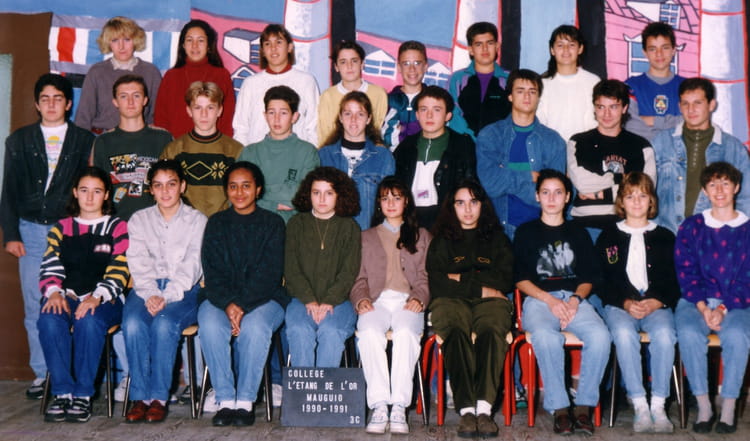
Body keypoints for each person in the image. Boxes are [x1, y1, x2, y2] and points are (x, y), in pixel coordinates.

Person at [0, 73, 94, 399]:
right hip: (31, 230)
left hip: (71, 231)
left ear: (68, 104)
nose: (51, 104)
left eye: (58, 98)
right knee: (35, 305)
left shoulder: (84, 140)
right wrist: (11, 234)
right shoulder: (20, 140)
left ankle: (70, 375)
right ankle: (43, 374)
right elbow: (9, 191)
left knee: (73, 301)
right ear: (37, 104)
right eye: (45, 99)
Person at [513, 169, 610, 436]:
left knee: (601, 336)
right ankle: (560, 410)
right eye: (545, 192)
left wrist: (575, 301)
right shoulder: (526, 232)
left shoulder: (578, 232)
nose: (552, 198)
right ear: (537, 196)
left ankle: (583, 408)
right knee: (545, 336)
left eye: (558, 192)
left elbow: (590, 276)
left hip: (574, 301)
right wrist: (551, 301)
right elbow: (519, 278)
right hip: (539, 301)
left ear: (567, 197)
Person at [198, 161, 288, 427]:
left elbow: (270, 274)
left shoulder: (273, 223)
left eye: (246, 186)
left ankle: (246, 401)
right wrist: (229, 304)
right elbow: (212, 271)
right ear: (226, 190)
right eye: (233, 187)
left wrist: (242, 305)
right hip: (220, 298)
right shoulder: (216, 223)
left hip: (265, 298)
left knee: (255, 327)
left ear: (258, 189)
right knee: (210, 324)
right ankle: (225, 399)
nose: (239, 192)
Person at [37, 166, 129, 423]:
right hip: (67, 294)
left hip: (106, 299)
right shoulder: (61, 227)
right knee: (49, 318)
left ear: (106, 195)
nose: (90, 197)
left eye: (97, 191)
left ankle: (83, 395)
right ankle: (62, 392)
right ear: (75, 192)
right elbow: (50, 264)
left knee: (88, 320)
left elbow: (120, 268)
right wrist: (54, 292)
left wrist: (96, 297)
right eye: (84, 190)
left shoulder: (117, 227)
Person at [426, 179, 513, 438]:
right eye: (460, 203)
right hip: (450, 302)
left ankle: (484, 410)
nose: (467, 209)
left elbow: (505, 280)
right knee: (454, 330)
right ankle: (466, 410)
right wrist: (481, 288)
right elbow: (437, 283)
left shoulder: (497, 239)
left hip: (491, 304)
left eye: (473, 202)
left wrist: (460, 279)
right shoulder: (441, 241)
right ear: (451, 207)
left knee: (491, 330)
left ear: (482, 205)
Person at [121, 159, 207, 423]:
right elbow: (138, 262)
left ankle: (158, 398)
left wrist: (166, 296)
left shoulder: (197, 220)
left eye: (171, 184)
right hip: (145, 287)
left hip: (185, 290)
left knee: (164, 323)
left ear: (182, 186)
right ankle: (140, 397)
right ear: (151, 189)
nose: (165, 191)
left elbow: (192, 265)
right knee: (133, 323)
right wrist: (150, 294)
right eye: (158, 185)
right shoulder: (139, 220)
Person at [595, 172, 679, 433]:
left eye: (643, 196)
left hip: (656, 305)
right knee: (622, 333)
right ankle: (640, 404)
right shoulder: (608, 236)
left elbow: (675, 280)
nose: (637, 201)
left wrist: (657, 301)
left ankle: (659, 405)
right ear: (621, 201)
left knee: (665, 334)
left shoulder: (665, 236)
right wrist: (624, 302)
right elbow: (601, 280)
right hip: (620, 305)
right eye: (630, 196)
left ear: (651, 200)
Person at [674, 162, 750, 435]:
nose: (719, 190)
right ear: (705, 191)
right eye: (713, 184)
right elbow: (686, 271)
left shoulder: (748, 229)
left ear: (736, 188)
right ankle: (704, 406)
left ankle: (728, 408)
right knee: (688, 332)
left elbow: (747, 278)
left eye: (726, 183)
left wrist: (724, 308)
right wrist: (705, 308)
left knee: (738, 335)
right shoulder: (692, 226)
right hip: (696, 301)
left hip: (738, 303)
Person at [351, 177, 431, 434]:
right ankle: (379, 405)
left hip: (408, 301)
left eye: (397, 198)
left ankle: (398, 405)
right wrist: (361, 298)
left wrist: (419, 298)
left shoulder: (421, 236)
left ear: (406, 201)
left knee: (406, 333)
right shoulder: (366, 237)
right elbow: (358, 277)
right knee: (369, 332)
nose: (391, 203)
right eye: (385, 198)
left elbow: (426, 276)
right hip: (377, 301)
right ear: (378, 204)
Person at [284, 167, 361, 367]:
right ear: (308, 194)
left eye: (329, 193)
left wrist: (329, 301)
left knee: (331, 331)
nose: (321, 199)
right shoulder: (296, 223)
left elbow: (349, 271)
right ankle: (304, 387)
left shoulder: (349, 226)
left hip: (340, 301)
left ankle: (325, 386)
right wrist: (309, 299)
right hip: (301, 300)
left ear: (339, 196)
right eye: (316, 192)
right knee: (299, 330)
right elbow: (291, 269)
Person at [476, 69, 566, 239]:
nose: (527, 97)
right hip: (497, 232)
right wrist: (530, 176)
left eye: (532, 91)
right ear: (510, 96)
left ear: (538, 98)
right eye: (520, 91)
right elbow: (491, 184)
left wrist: (506, 177)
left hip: (540, 231)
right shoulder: (490, 136)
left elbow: (555, 195)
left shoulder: (554, 141)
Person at [653, 77, 750, 233]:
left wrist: (731, 235)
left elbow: (746, 199)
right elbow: (646, 192)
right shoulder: (661, 142)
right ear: (679, 106)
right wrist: (654, 234)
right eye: (685, 103)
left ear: (711, 105)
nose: (691, 110)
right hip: (667, 235)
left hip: (714, 237)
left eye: (697, 103)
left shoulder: (734, 149)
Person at [568, 79, 656, 233]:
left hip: (627, 225)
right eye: (601, 107)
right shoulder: (577, 142)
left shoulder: (641, 146)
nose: (606, 114)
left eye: (613, 107)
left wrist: (599, 194)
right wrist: (621, 180)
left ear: (624, 108)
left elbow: (645, 191)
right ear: (594, 108)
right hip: (585, 226)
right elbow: (582, 183)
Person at [91, 74, 173, 220]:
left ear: (145, 100)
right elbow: (96, 187)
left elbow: (174, 184)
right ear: (115, 102)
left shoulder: (163, 138)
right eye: (123, 96)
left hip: (157, 222)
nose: (130, 102)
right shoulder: (103, 141)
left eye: (136, 96)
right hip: (116, 223)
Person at [393, 85, 476, 229]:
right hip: (410, 221)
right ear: (417, 114)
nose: (429, 116)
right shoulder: (405, 147)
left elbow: (470, 187)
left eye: (437, 110)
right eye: (424, 109)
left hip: (448, 221)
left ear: (448, 116)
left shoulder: (462, 145)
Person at [237, 85, 319, 224]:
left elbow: (305, 197)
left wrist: (260, 192)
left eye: (283, 113)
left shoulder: (307, 152)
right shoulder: (249, 153)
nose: (276, 119)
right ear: (265, 115)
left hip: (294, 227)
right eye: (271, 112)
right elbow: (237, 197)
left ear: (294, 117)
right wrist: (273, 204)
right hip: (254, 226)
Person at [160, 81, 243, 217]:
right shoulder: (174, 150)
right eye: (198, 108)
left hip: (223, 223)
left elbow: (242, 196)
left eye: (210, 107)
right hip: (184, 223)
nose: (204, 114)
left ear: (219, 110)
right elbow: (163, 192)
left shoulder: (235, 151)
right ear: (189, 111)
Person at [233, 24, 320, 146]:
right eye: (267, 44)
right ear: (262, 51)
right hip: (257, 155)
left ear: (289, 47)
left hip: (295, 154)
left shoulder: (306, 81)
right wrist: (246, 155)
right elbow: (241, 128)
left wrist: (308, 154)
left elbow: (314, 127)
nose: (273, 48)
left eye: (279, 42)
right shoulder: (250, 84)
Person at [319, 91, 395, 230]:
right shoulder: (324, 155)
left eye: (360, 114)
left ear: (368, 119)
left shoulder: (383, 157)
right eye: (348, 113)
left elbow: (390, 203)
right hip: (330, 234)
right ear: (340, 118)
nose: (353, 120)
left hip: (367, 235)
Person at [75, 17, 161, 133]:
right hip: (102, 137)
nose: (121, 46)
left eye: (127, 39)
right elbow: (84, 115)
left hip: (141, 136)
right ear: (108, 43)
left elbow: (158, 114)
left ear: (135, 40)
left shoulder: (151, 72)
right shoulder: (96, 72)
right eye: (115, 40)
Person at [155, 19, 235, 138]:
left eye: (200, 40)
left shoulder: (222, 75)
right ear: (183, 45)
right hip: (176, 145)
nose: (195, 45)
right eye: (189, 40)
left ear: (209, 45)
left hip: (213, 145)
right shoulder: (171, 77)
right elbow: (161, 119)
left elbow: (227, 120)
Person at [318, 40, 388, 146]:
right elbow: (324, 135)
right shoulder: (327, 96)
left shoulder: (379, 94)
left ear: (362, 64)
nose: (349, 66)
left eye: (354, 61)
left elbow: (377, 130)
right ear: (336, 67)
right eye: (343, 62)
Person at [536, 25, 600, 141]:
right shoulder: (542, 83)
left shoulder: (593, 82)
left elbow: (596, 121)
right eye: (560, 45)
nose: (566, 49)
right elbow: (539, 122)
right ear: (552, 50)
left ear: (580, 49)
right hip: (550, 147)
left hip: (584, 147)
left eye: (571, 45)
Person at [624, 21, 685, 141]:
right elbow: (632, 127)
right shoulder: (631, 86)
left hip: (679, 152)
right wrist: (673, 123)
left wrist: (652, 121)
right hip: (643, 150)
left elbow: (692, 123)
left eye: (665, 48)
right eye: (652, 49)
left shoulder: (687, 87)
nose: (659, 54)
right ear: (644, 52)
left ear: (674, 50)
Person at [448, 21, 510, 138]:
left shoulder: (509, 80)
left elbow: (514, 115)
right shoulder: (457, 79)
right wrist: (470, 137)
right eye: (478, 44)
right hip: (463, 142)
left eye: (489, 43)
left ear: (497, 46)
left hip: (498, 143)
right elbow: (453, 113)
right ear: (471, 49)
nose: (485, 49)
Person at [382, 40, 429, 150]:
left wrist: (404, 128)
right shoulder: (388, 101)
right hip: (393, 158)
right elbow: (381, 137)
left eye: (417, 63)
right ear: (399, 67)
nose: (412, 69)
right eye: (406, 63)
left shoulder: (434, 100)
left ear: (425, 66)